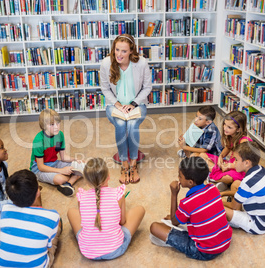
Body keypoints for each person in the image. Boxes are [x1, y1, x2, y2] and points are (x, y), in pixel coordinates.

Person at [149, 157, 232, 261]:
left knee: (154, 228)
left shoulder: (187, 203)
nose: (178, 178)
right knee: (183, 218)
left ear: (190, 182)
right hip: (225, 241)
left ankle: (174, 242)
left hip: (204, 252)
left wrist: (174, 194)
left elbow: (174, 222)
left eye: (180, 176)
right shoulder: (213, 189)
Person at [67, 158, 145, 260]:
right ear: (108, 176)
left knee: (71, 212)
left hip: (88, 251)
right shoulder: (118, 194)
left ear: (86, 181)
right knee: (140, 209)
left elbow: (83, 221)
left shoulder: (81, 197)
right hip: (116, 250)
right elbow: (122, 222)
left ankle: (92, 240)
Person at [100, 34, 152, 184]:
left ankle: (133, 165)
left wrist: (133, 104)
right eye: (117, 50)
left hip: (137, 105)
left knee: (133, 124)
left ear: (131, 51)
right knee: (122, 124)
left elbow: (147, 87)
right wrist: (117, 104)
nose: (119, 54)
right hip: (114, 106)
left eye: (124, 51)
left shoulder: (141, 63)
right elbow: (105, 88)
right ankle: (124, 165)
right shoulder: (106, 63)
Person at [0, 169, 61, 267]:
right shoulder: (53, 216)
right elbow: (48, 246)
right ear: (38, 192)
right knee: (58, 225)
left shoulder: (5, 210)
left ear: (10, 197)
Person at [223, 142, 265, 235]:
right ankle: (238, 206)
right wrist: (222, 194)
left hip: (258, 224)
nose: (234, 162)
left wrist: (217, 199)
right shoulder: (261, 169)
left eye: (236, 160)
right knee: (237, 184)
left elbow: (233, 206)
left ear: (246, 163)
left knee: (219, 208)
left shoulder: (248, 182)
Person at [30, 108, 81, 196]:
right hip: (39, 169)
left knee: (82, 167)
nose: (56, 126)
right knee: (60, 179)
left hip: (54, 163)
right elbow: (41, 166)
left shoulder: (60, 135)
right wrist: (61, 170)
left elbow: (64, 157)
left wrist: (76, 159)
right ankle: (68, 180)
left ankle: (68, 184)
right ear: (44, 125)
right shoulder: (38, 140)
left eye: (58, 123)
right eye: (52, 124)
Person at [199, 111, 252, 196]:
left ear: (238, 129)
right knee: (202, 155)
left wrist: (230, 166)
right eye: (224, 124)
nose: (225, 128)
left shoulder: (244, 142)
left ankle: (214, 176)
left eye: (229, 127)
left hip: (240, 170)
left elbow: (247, 164)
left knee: (228, 178)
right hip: (229, 165)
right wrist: (220, 157)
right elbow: (227, 149)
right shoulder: (232, 136)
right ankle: (218, 178)